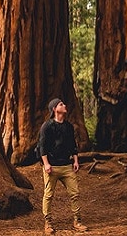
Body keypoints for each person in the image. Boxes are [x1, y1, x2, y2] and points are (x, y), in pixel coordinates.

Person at [38, 97, 86, 233]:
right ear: (54, 109)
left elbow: (73, 145)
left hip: (66, 166)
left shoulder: (68, 126)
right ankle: (48, 223)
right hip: (51, 167)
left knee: (75, 193)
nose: (64, 105)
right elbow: (42, 147)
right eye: (61, 104)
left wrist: (76, 160)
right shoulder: (47, 126)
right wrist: (46, 164)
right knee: (48, 195)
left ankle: (77, 221)